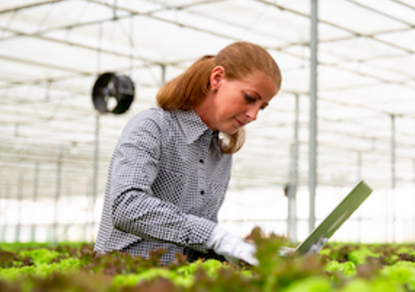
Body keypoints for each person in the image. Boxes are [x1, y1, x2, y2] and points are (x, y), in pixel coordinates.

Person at [94, 41, 281, 265]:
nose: (253, 115)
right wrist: (214, 236)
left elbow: (196, 242)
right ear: (217, 79)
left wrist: (246, 254)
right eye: (250, 98)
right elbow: (126, 206)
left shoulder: (220, 154)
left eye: (261, 106)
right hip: (123, 280)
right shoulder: (153, 126)